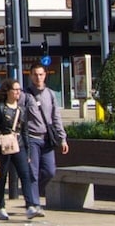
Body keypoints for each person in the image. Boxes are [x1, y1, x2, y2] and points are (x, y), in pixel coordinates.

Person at [21, 65, 69, 214]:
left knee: (49, 171)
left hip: (47, 139)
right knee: (33, 172)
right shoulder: (25, 95)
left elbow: (56, 117)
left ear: (45, 75)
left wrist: (62, 138)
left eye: (41, 74)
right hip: (31, 139)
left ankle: (31, 193)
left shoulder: (50, 94)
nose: (38, 77)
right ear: (30, 76)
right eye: (35, 74)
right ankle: (35, 204)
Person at [0, 78, 41, 220]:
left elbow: (25, 132)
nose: (18, 92)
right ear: (8, 92)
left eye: (20, 90)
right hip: (4, 146)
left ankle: (30, 206)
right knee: (2, 177)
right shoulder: (1, 108)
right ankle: (1, 207)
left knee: (25, 175)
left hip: (19, 145)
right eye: (16, 89)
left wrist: (28, 151)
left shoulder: (21, 109)